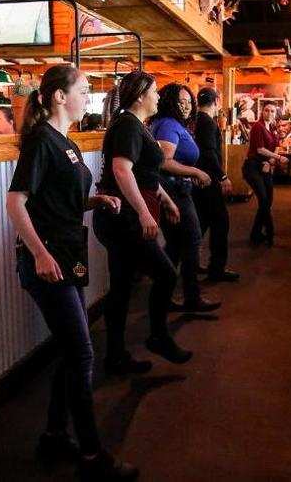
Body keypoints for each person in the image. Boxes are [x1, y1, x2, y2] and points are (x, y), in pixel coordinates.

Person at [6, 65, 137, 482]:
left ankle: (54, 433)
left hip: (68, 255)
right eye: (82, 90)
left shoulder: (67, 142)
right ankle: (93, 453)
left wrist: (95, 201)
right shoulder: (42, 141)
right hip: (49, 263)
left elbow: (60, 201)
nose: (88, 96)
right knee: (81, 353)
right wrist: (39, 254)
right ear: (60, 96)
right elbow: (16, 202)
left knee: (70, 349)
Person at [94, 71, 192, 375]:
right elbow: (122, 170)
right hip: (123, 217)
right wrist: (143, 213)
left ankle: (115, 355)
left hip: (122, 215)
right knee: (164, 274)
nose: (159, 97)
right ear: (140, 96)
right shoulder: (128, 125)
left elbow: (144, 173)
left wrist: (165, 199)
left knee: (121, 286)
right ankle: (158, 336)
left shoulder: (137, 126)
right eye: (155, 92)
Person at [151, 83, 220, 313]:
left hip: (177, 190)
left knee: (175, 244)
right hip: (174, 192)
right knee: (191, 240)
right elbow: (164, 161)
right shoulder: (168, 125)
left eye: (189, 101)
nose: (187, 106)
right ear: (169, 102)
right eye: (181, 101)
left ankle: (164, 294)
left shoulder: (170, 124)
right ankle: (192, 297)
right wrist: (196, 172)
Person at [192, 88, 239, 282]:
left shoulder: (196, 121)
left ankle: (191, 264)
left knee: (200, 224)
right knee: (221, 223)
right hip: (209, 180)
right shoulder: (207, 123)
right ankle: (216, 269)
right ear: (217, 101)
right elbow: (209, 153)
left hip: (199, 180)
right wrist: (223, 176)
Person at [242, 103, 288, 246]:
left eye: (272, 111)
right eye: (266, 110)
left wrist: (271, 162)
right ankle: (269, 232)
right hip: (252, 167)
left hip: (265, 166)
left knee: (268, 201)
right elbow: (260, 149)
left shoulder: (272, 128)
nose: (269, 113)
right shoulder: (257, 127)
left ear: (276, 113)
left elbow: (274, 147)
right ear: (262, 112)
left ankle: (256, 234)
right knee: (263, 200)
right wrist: (279, 158)